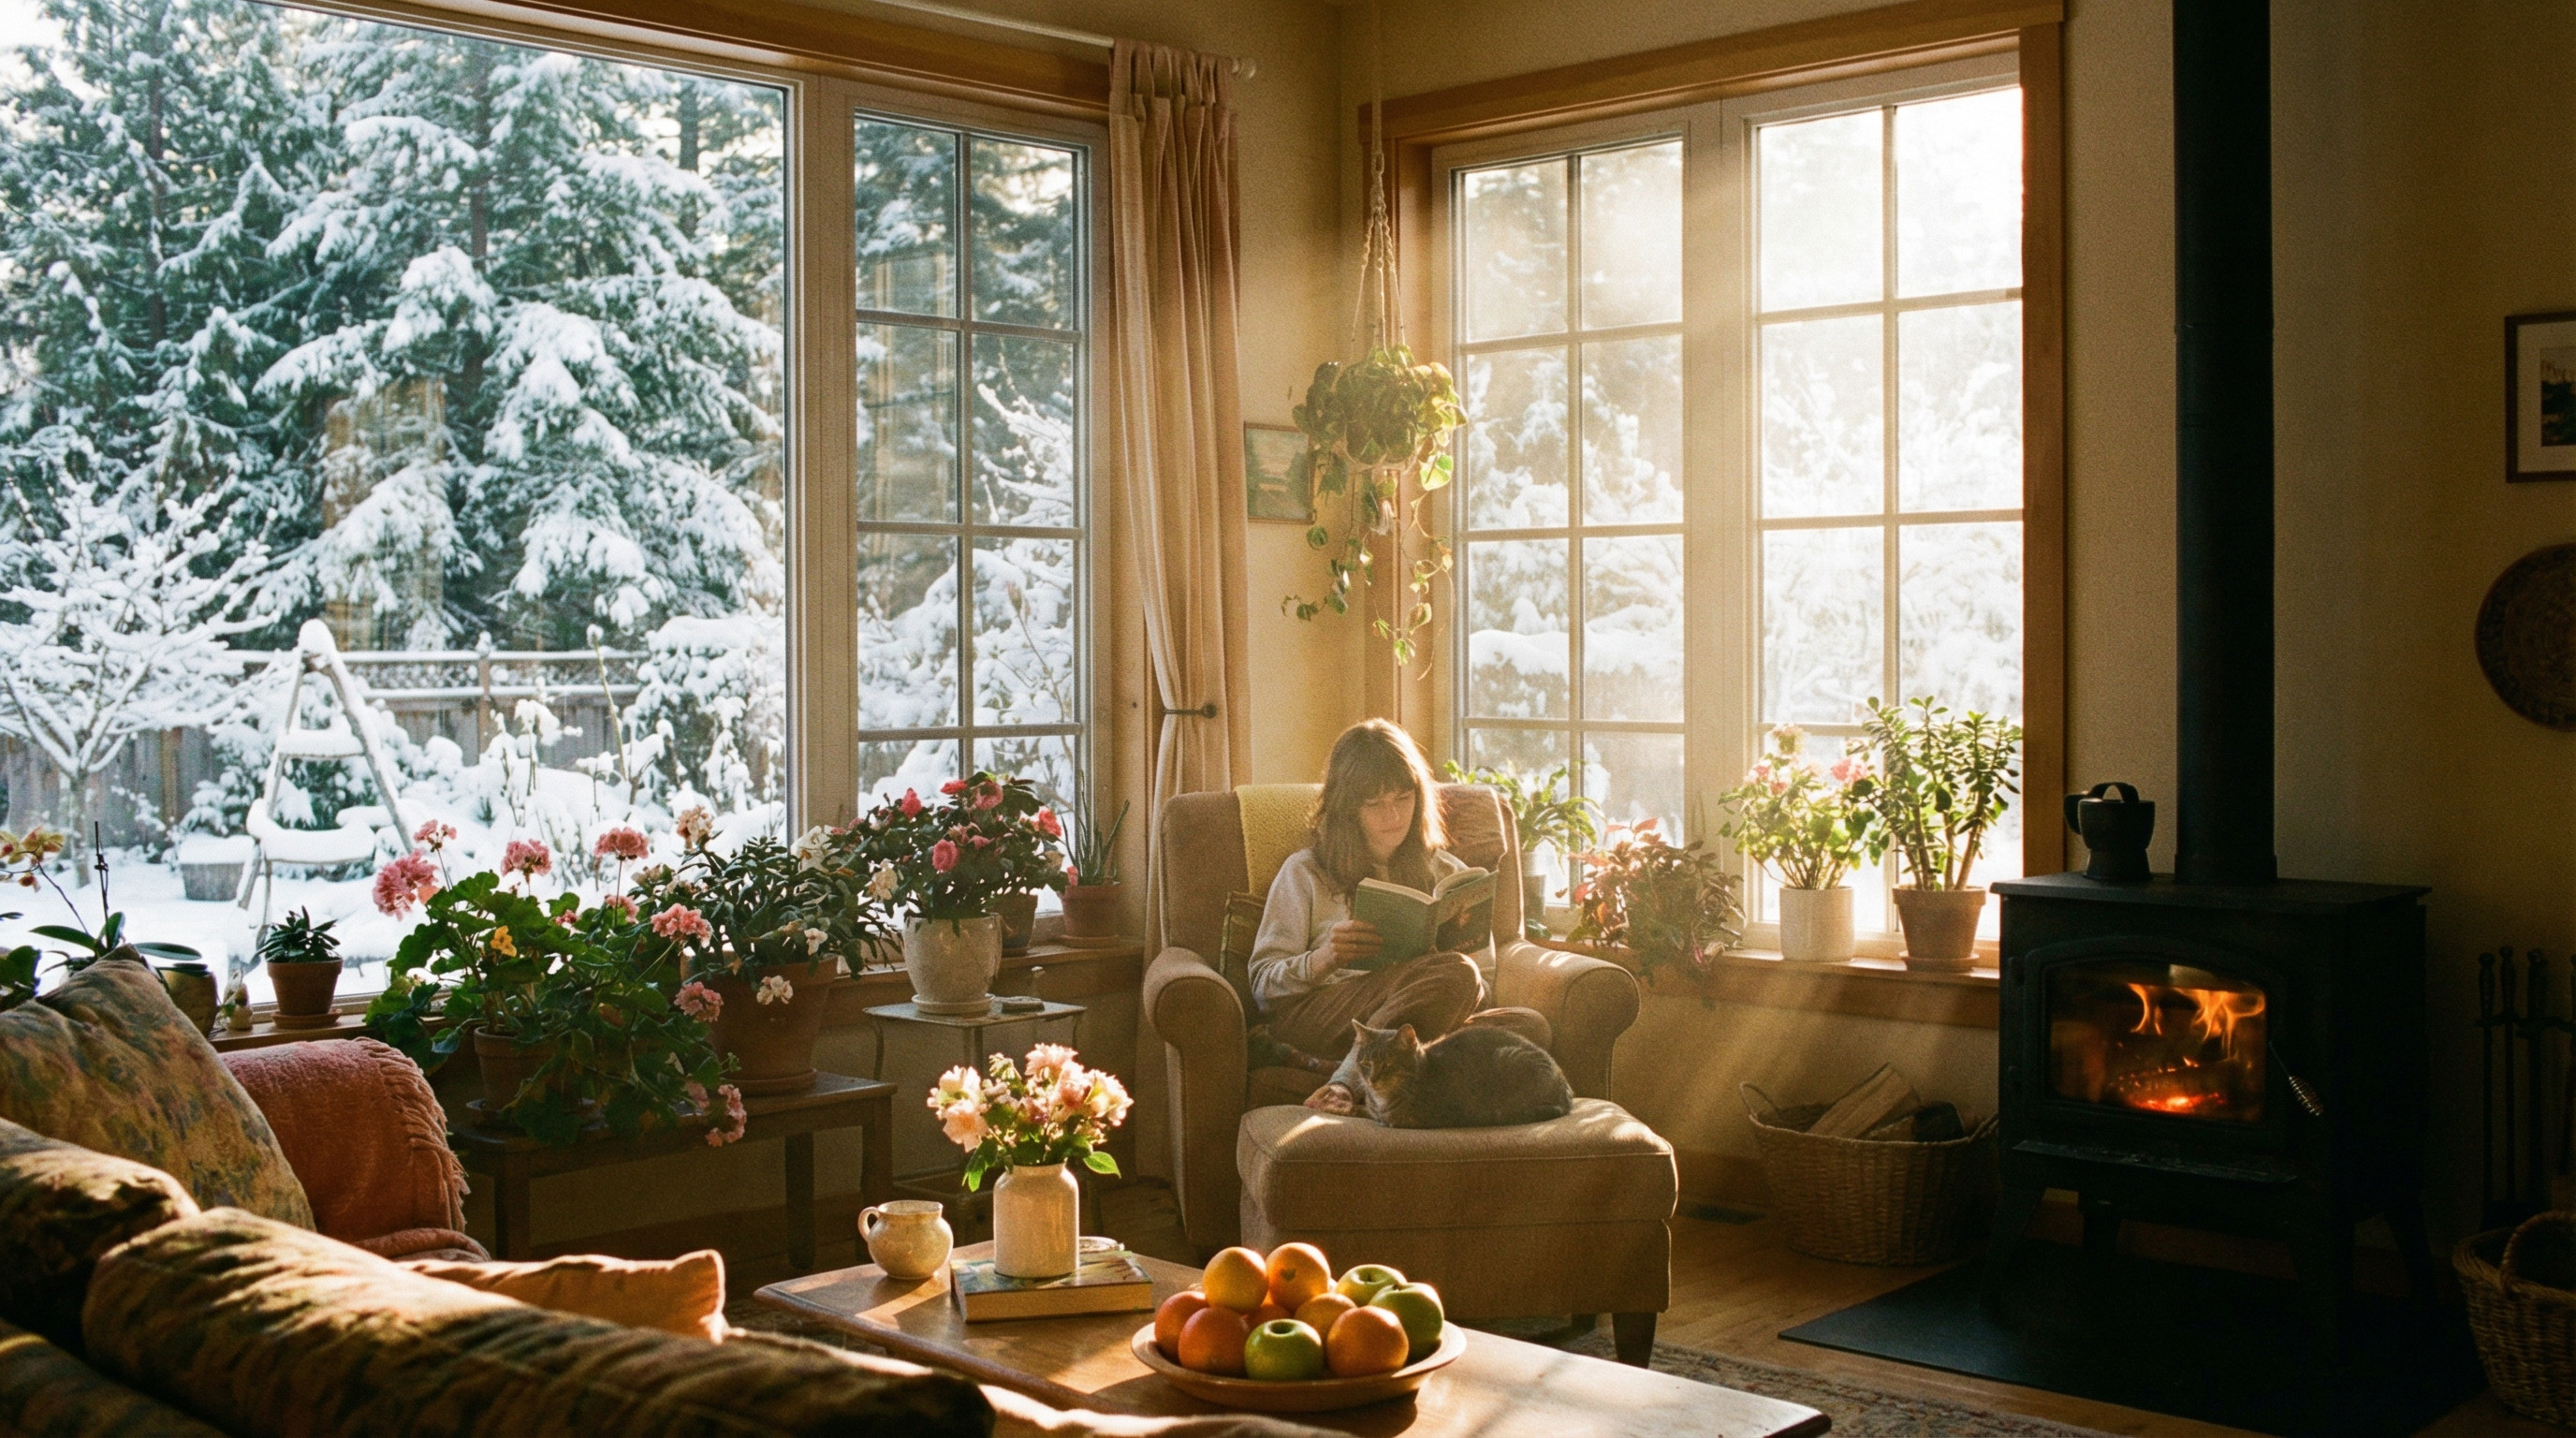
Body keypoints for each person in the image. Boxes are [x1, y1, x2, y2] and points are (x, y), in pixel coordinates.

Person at [1249, 719, 1527, 1114]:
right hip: (1325, 1014)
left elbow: (1483, 978)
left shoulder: (1448, 872)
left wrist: (1431, 974)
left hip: (1413, 1023)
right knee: (1456, 975)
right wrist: (1324, 958)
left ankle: (1340, 1069)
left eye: (1403, 797)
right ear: (1347, 806)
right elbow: (1261, 987)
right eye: (1374, 803)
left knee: (1529, 1028)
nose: (1393, 815)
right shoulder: (1305, 872)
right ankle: (1345, 1084)